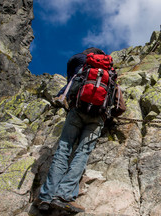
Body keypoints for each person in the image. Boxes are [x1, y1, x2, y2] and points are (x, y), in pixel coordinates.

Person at [35, 48, 126, 213]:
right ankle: (63, 196)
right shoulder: (111, 74)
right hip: (97, 117)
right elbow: (120, 106)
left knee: (63, 150)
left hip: (76, 111)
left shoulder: (85, 69)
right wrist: (108, 115)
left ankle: (46, 197)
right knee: (82, 154)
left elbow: (71, 89)